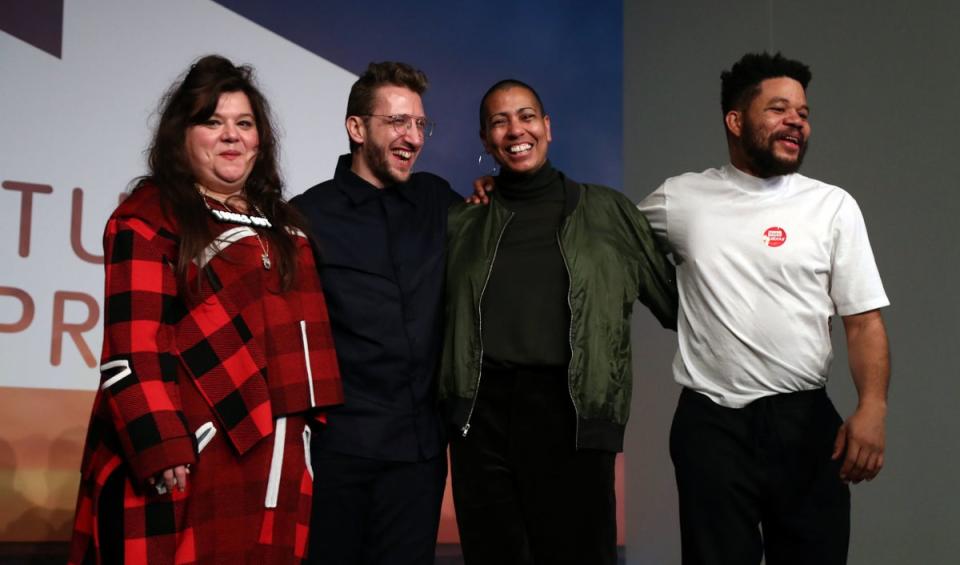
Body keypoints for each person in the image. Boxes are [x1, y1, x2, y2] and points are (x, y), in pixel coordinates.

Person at [67, 55, 343, 564]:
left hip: (276, 455)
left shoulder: (286, 227)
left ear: (260, 139)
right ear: (182, 136)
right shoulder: (148, 218)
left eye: (243, 123)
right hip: (190, 456)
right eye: (212, 122)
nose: (231, 136)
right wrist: (161, 442)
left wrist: (305, 442)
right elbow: (133, 342)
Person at [637, 52, 891, 565]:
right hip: (711, 426)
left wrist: (873, 407)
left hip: (804, 423)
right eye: (779, 109)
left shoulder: (832, 206)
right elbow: (607, 239)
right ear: (736, 120)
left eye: (803, 112)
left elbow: (863, 321)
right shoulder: (681, 199)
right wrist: (496, 191)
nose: (796, 120)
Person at [440, 79, 678, 565]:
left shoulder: (608, 212)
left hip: (572, 415)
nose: (515, 130)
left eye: (526, 116)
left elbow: (677, 304)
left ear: (547, 128)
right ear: (485, 140)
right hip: (481, 421)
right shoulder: (463, 223)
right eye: (499, 122)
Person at [291, 62, 462, 565]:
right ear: (357, 128)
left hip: (420, 456)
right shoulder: (306, 216)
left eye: (420, 125)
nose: (413, 137)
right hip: (339, 453)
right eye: (397, 123)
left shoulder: (439, 201)